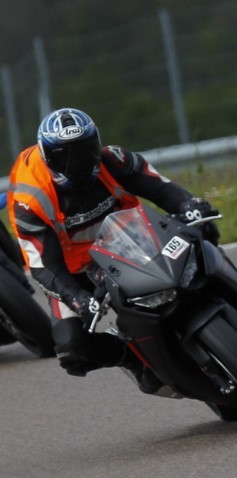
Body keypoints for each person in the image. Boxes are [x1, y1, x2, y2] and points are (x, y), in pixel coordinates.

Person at [7, 107, 219, 390]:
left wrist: (189, 206)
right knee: (72, 349)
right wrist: (77, 298)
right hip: (73, 269)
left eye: (84, 150)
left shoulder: (114, 160)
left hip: (130, 239)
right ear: (47, 157)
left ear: (97, 143)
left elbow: (162, 189)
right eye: (63, 156)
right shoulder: (30, 200)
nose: (76, 162)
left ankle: (221, 290)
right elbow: (46, 266)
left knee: (201, 230)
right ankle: (131, 358)